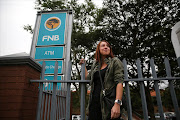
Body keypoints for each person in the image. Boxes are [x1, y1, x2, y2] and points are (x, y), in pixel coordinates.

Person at [79, 40, 124, 120]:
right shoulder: (96, 65)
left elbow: (119, 82)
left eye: (108, 46)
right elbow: (88, 78)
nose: (106, 47)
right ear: (98, 49)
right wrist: (84, 66)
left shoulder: (115, 61)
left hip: (108, 104)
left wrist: (117, 104)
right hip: (94, 104)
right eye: (103, 45)